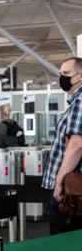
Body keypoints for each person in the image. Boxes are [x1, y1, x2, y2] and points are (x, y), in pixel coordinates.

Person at [42, 57, 82, 235]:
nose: (62, 78)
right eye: (60, 74)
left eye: (66, 73)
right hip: (73, 189)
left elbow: (77, 144)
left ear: (80, 76)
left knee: (63, 242)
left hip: (69, 191)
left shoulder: (80, 102)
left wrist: (58, 183)